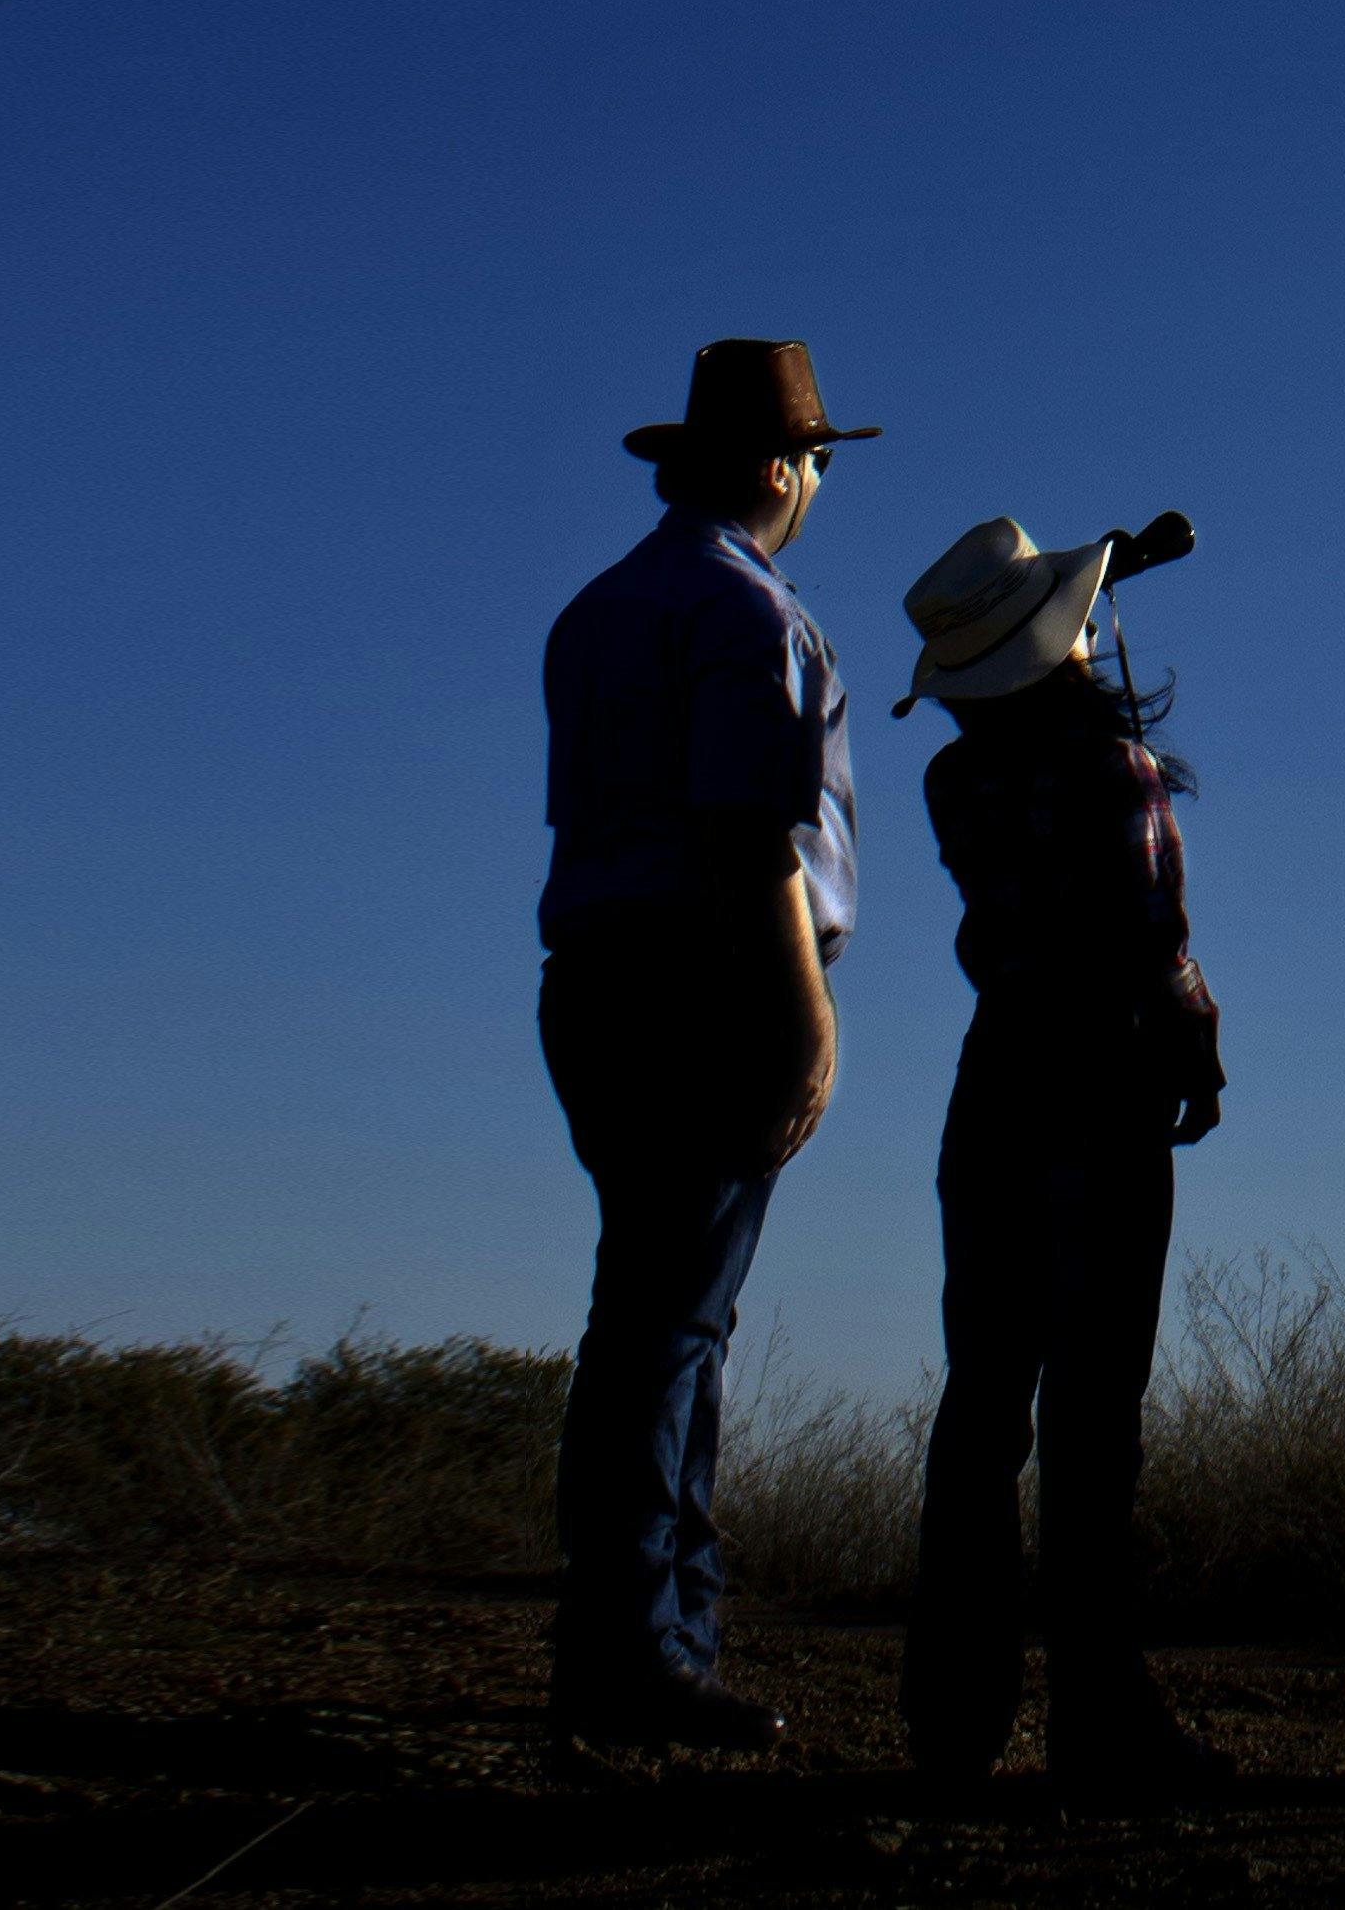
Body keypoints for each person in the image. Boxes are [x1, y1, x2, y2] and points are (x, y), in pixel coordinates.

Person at [534, 337, 876, 1746]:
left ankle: (641, 1637)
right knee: (671, 1327)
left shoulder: (600, 608)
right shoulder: (750, 618)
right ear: (784, 470)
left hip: (596, 979)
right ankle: (643, 1654)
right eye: (812, 466)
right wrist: (804, 1017)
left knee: (650, 1315)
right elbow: (752, 834)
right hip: (707, 981)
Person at [896, 505, 1221, 1803]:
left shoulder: (953, 780)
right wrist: (1192, 1042)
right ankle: (1099, 1716)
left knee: (982, 1402)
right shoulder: (1110, 771)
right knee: (1092, 1415)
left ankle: (953, 1716)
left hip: (995, 1081)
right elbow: (1152, 947)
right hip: (1102, 1073)